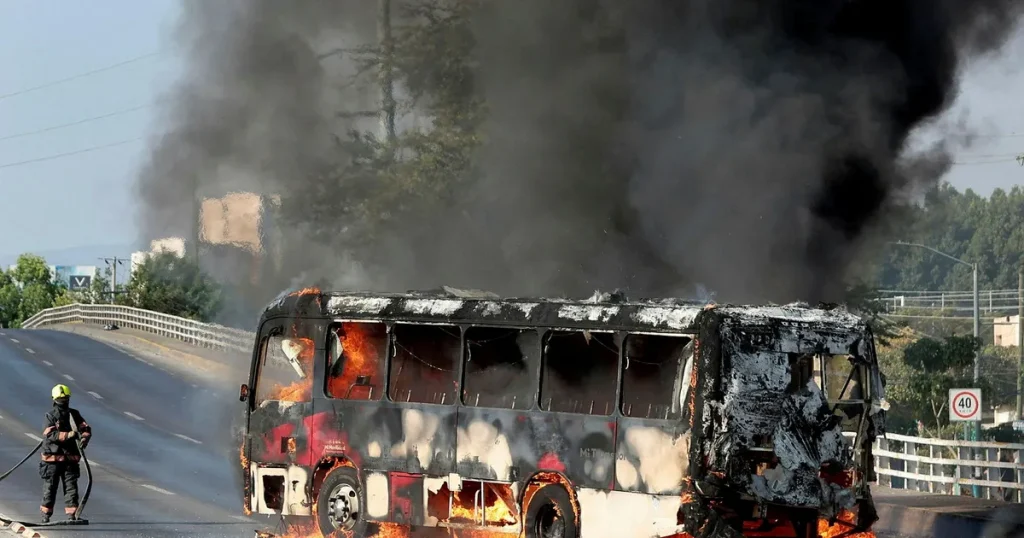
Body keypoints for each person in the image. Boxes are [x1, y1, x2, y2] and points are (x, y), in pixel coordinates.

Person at [39, 384, 91, 523]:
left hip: (70, 459)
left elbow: (85, 428)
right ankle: (46, 514)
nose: (64, 401)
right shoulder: (51, 416)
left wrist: (84, 438)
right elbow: (50, 435)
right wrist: (68, 435)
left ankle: (72, 514)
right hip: (53, 460)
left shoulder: (74, 415)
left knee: (71, 487)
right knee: (50, 487)